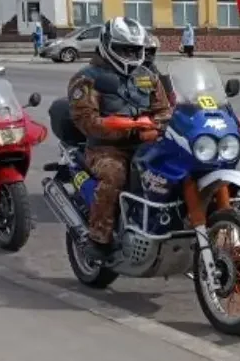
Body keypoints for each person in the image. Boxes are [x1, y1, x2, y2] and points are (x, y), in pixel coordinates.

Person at [67, 17, 172, 259]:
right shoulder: (87, 78)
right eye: (124, 49)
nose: (131, 54)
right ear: (107, 45)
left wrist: (160, 124)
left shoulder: (147, 75)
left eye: (136, 49)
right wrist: (128, 127)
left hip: (147, 143)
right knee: (115, 175)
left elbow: (164, 109)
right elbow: (87, 122)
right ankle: (99, 238)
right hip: (106, 148)